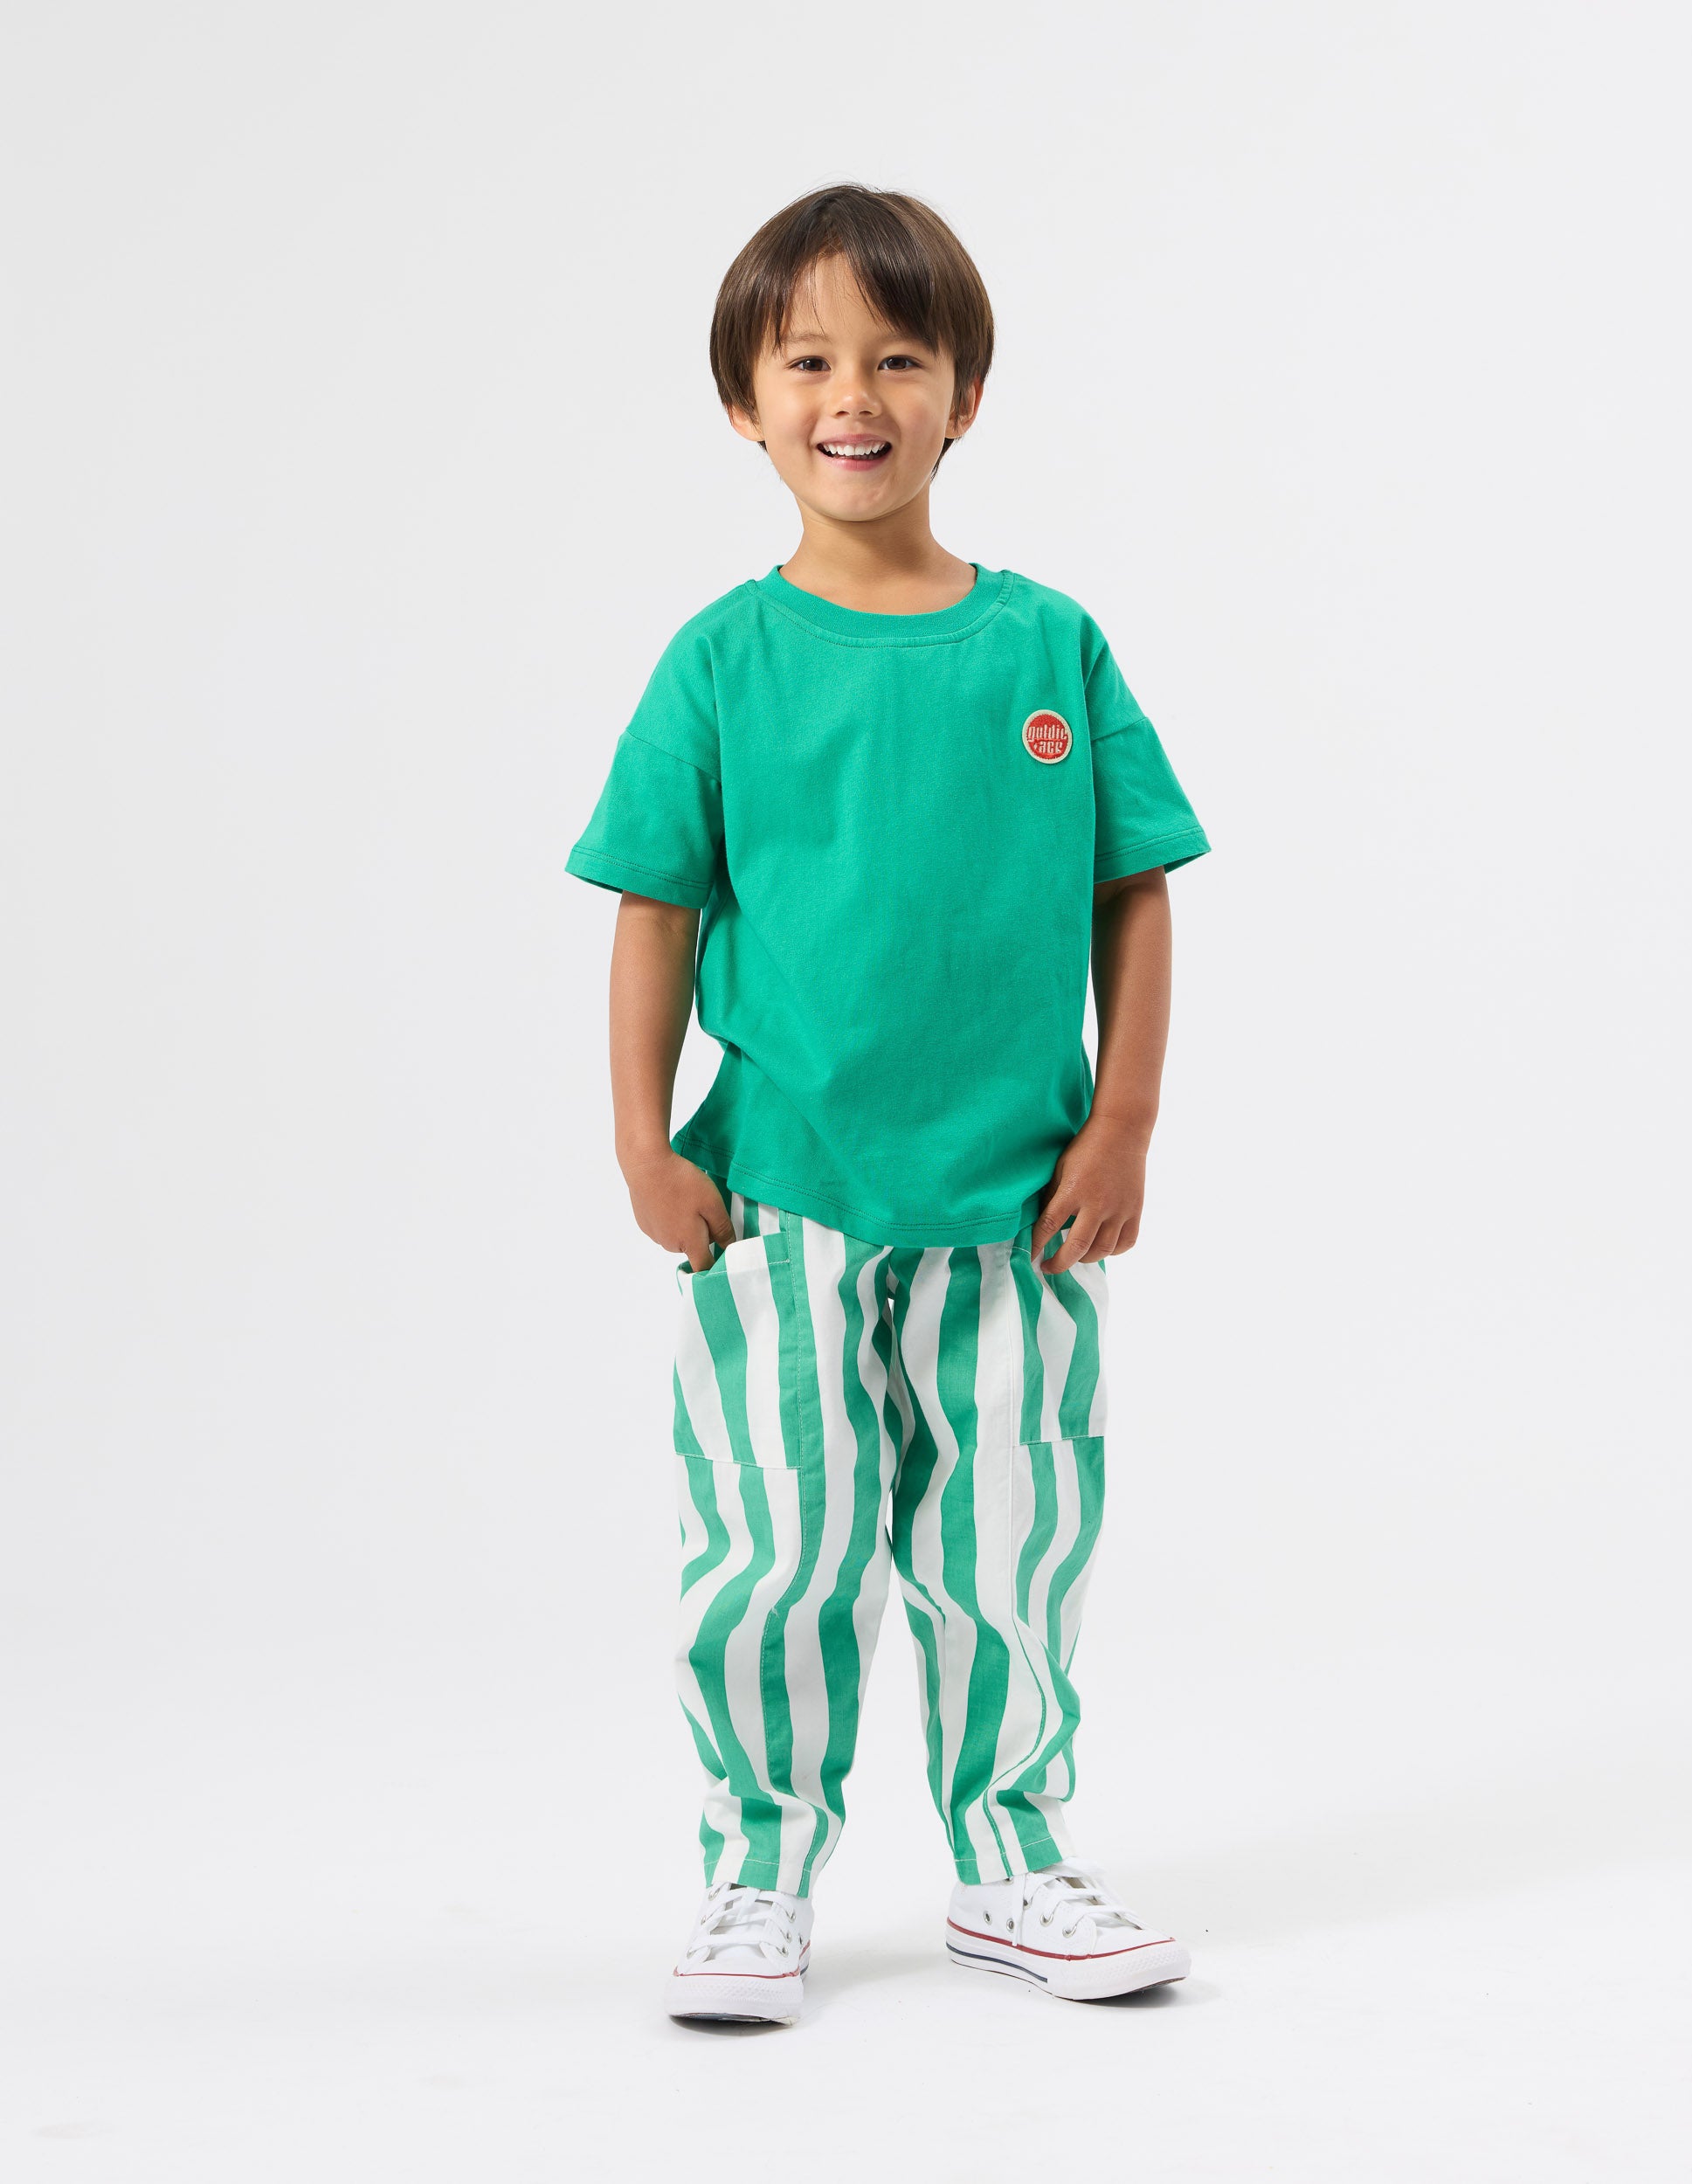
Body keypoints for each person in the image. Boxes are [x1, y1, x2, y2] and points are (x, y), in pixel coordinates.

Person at [564, 183, 1211, 2024]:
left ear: (963, 397)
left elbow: (1134, 884)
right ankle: (756, 1873)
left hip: (1019, 1206)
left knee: (1011, 1542)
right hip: (782, 1190)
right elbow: (654, 911)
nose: (855, 396)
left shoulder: (1047, 646)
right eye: (809, 362)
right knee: (778, 1545)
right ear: (746, 404)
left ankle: (1013, 1862)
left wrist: (1124, 1121)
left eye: (900, 359)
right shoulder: (721, 661)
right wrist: (640, 1139)